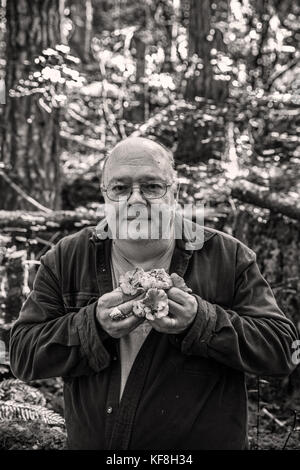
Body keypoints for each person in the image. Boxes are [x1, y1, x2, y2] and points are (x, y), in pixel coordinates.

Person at [10, 137, 297, 450]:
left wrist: (202, 322)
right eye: (121, 188)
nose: (136, 200)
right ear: (105, 195)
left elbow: (283, 349)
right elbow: (23, 354)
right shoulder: (67, 258)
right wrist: (92, 325)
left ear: (173, 192)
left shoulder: (227, 257)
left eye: (151, 186)